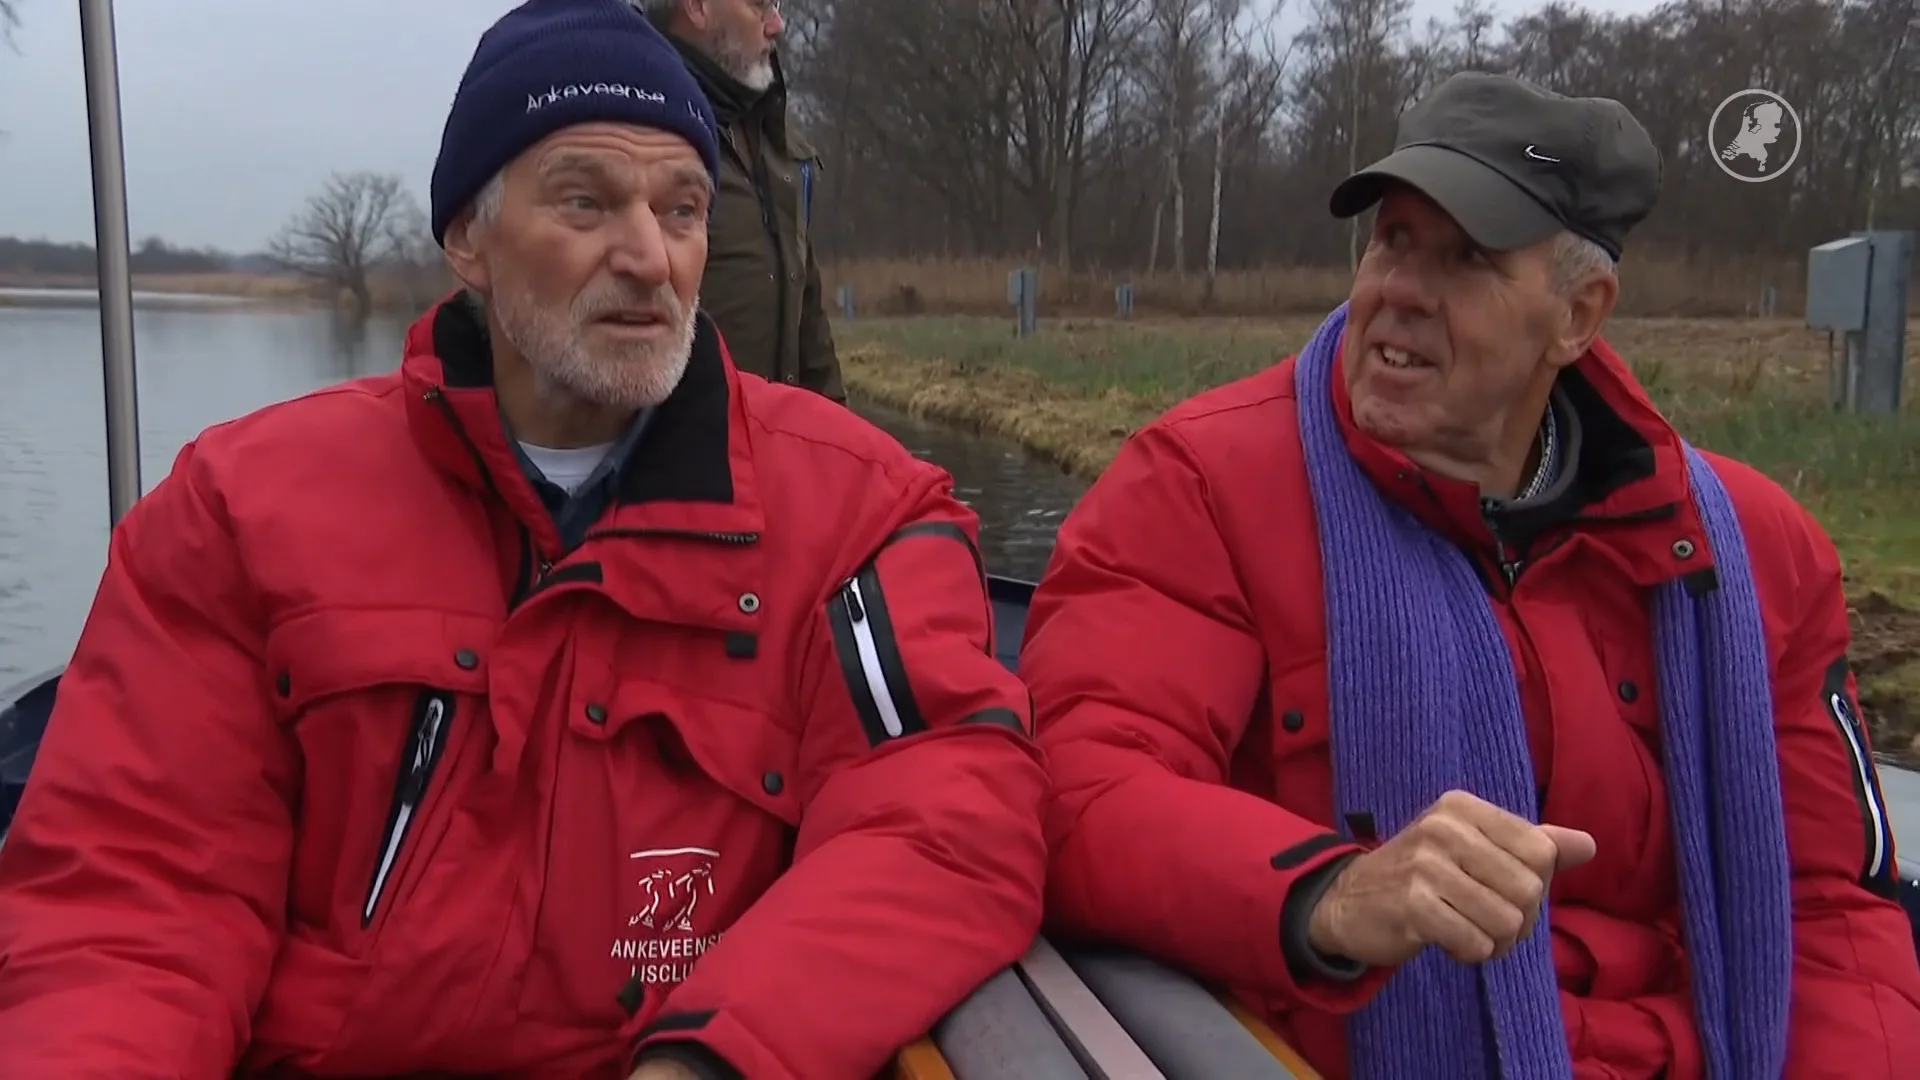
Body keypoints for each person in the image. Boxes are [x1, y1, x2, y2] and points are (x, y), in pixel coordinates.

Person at [0, 2, 1046, 1078]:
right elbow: (134, 897)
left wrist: (716, 1059)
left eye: (683, 209)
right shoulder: (240, 509)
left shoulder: (858, 518)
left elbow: (943, 819)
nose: (649, 255)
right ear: (469, 241)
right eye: (587, 202)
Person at [1020, 71, 1920, 1079]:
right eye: (1394, 240)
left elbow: (1832, 909)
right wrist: (1334, 894)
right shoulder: (1201, 487)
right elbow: (1079, 790)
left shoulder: (1755, 554)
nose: (1401, 289)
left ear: (1579, 315)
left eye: (1466, 259)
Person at [639, 0, 844, 402]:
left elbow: (810, 324)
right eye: (759, 5)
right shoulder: (638, 133)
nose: (777, 24)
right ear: (697, 7)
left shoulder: (776, 139)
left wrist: (839, 439)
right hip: (689, 451)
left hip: (777, 446)